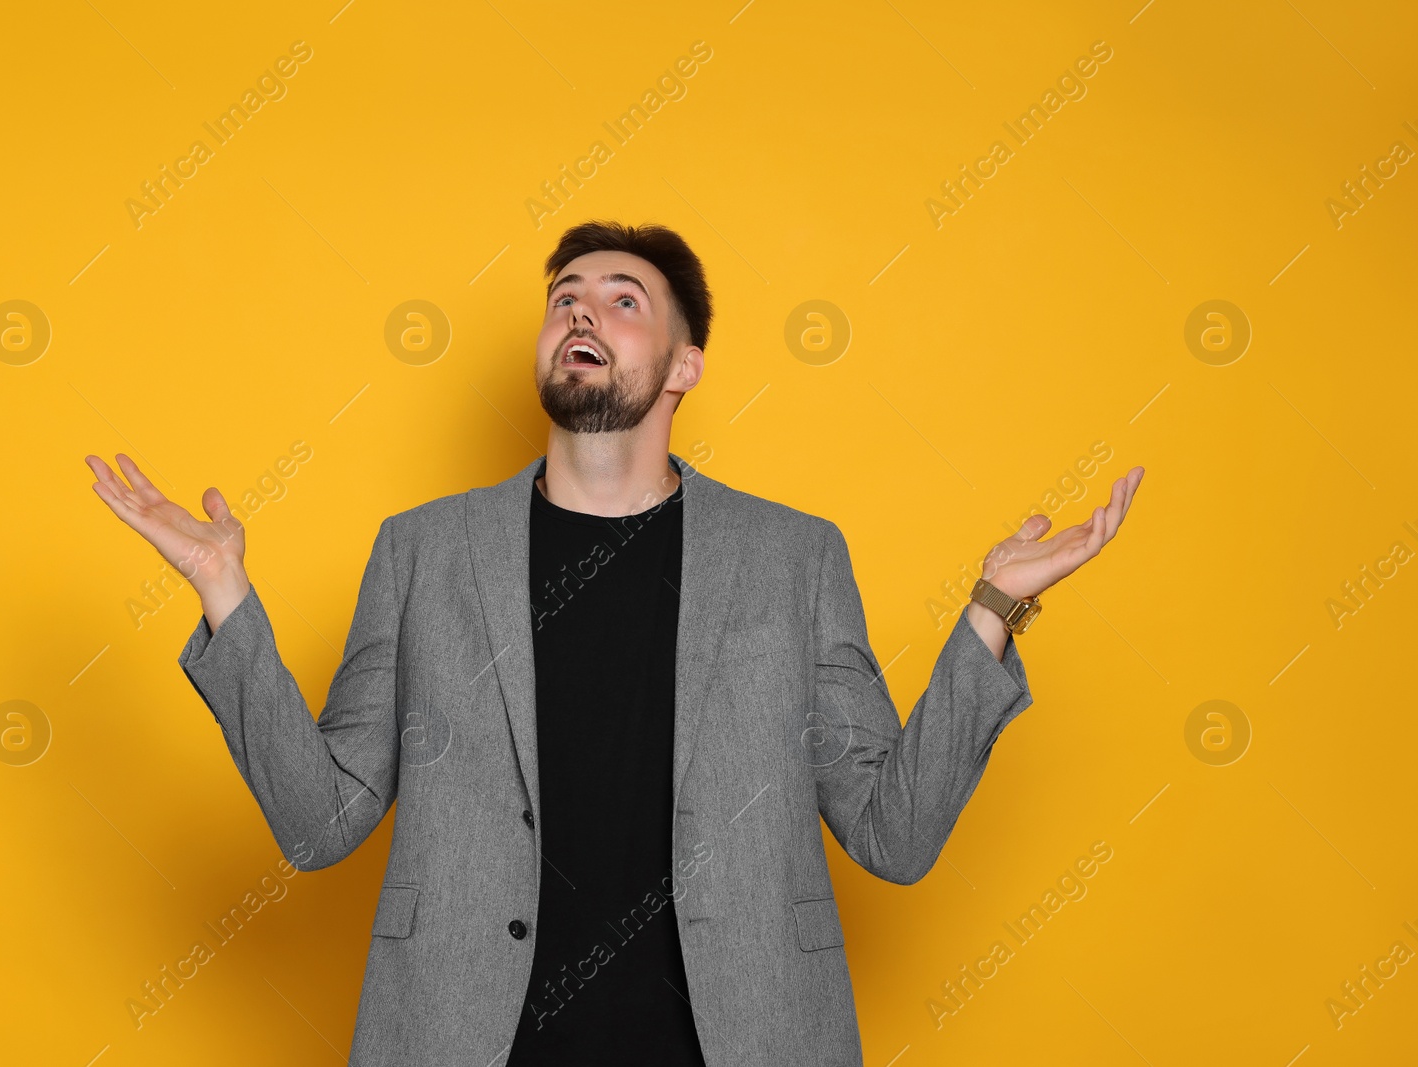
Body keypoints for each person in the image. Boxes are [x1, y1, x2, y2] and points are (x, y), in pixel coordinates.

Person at [85, 220, 1143, 1065]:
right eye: (565, 298)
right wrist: (224, 592)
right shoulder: (421, 553)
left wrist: (992, 611)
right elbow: (319, 822)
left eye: (620, 299)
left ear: (685, 364)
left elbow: (894, 833)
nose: (581, 309)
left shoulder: (793, 558)